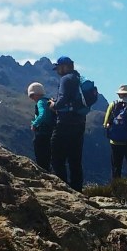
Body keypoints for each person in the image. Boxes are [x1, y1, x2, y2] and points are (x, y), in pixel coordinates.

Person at [49, 55, 87, 190]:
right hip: (80, 122)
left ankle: (62, 188)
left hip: (65, 123)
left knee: (57, 156)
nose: (57, 70)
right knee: (75, 159)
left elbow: (62, 100)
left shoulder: (65, 79)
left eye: (58, 67)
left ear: (64, 67)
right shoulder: (79, 78)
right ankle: (77, 189)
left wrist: (53, 105)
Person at [27, 82, 55, 171]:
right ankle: (47, 170)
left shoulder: (40, 102)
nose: (32, 98)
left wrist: (34, 124)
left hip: (42, 132)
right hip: (50, 131)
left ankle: (42, 170)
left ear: (35, 94)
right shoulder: (48, 101)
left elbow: (42, 114)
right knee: (47, 153)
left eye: (31, 96)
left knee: (40, 152)